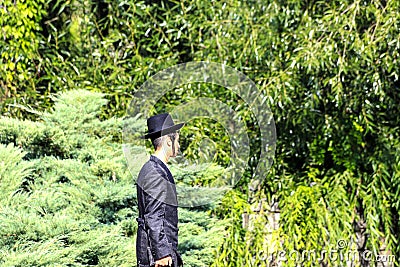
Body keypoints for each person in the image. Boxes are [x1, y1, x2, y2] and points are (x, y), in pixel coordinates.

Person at [136, 113, 184, 267]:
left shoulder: (153, 168)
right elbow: (153, 216)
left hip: (156, 254)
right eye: (177, 139)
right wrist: (162, 254)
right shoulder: (155, 172)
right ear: (169, 141)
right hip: (157, 259)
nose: (179, 145)